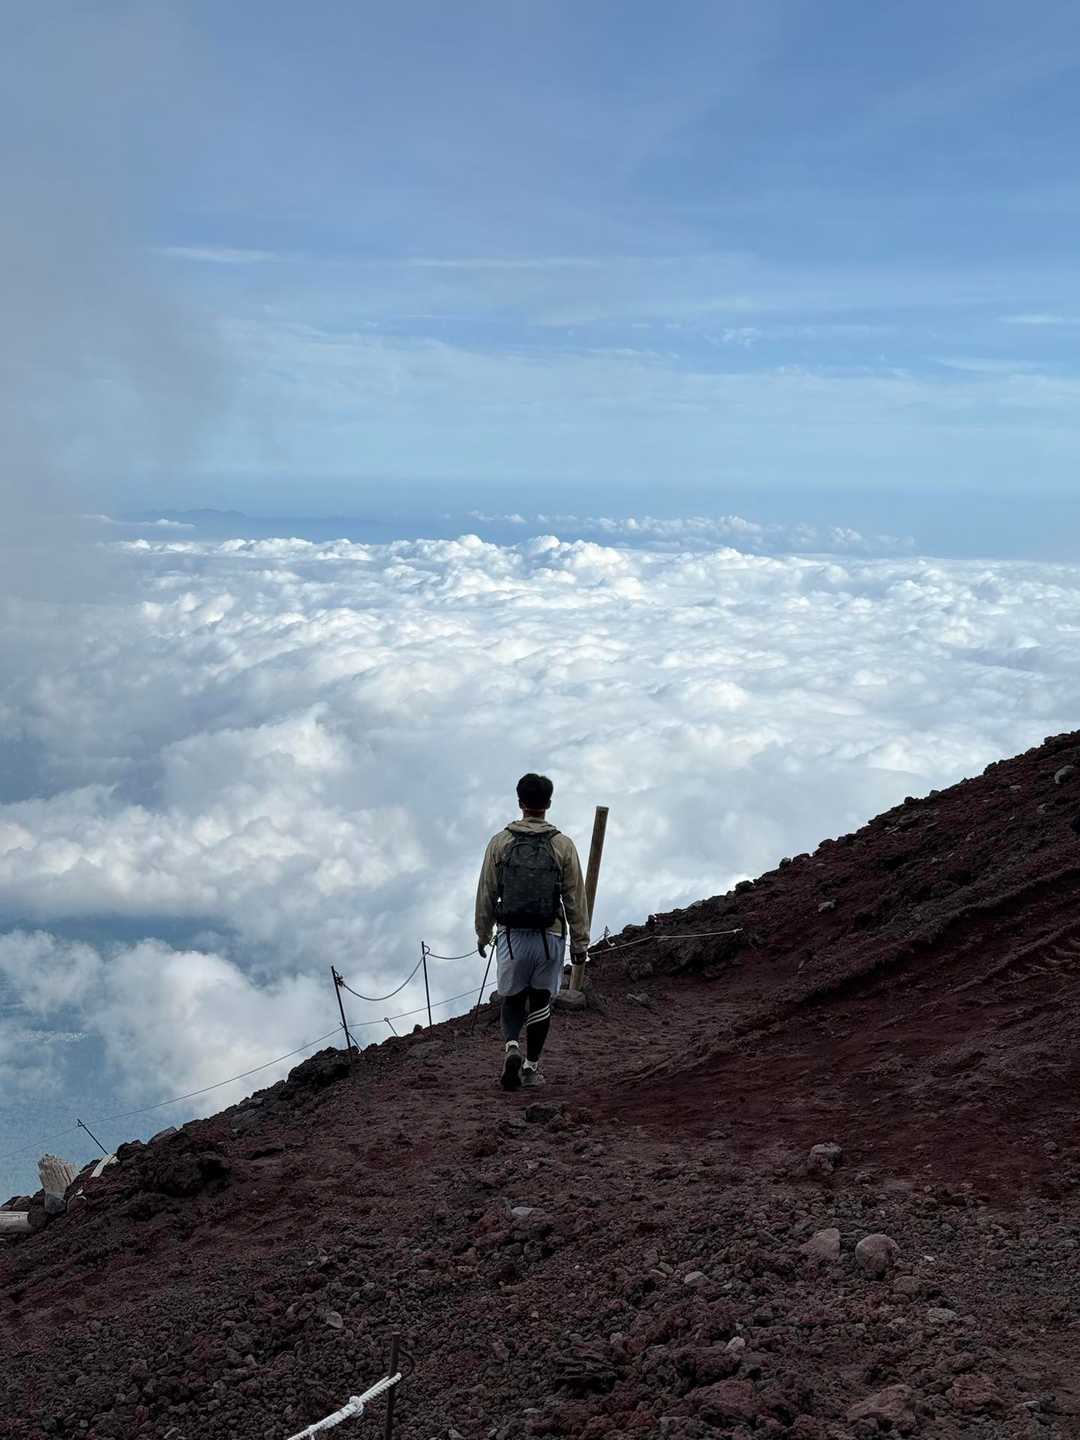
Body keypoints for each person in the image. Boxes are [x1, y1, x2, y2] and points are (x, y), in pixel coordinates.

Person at [475, 773, 590, 1090]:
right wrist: (580, 943)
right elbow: (575, 898)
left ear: (519, 802)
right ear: (548, 803)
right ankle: (530, 1068)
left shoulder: (500, 842)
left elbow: (486, 893)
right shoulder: (562, 845)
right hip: (549, 936)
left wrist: (483, 933)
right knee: (541, 1000)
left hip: (511, 937)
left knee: (512, 997)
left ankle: (512, 1045)